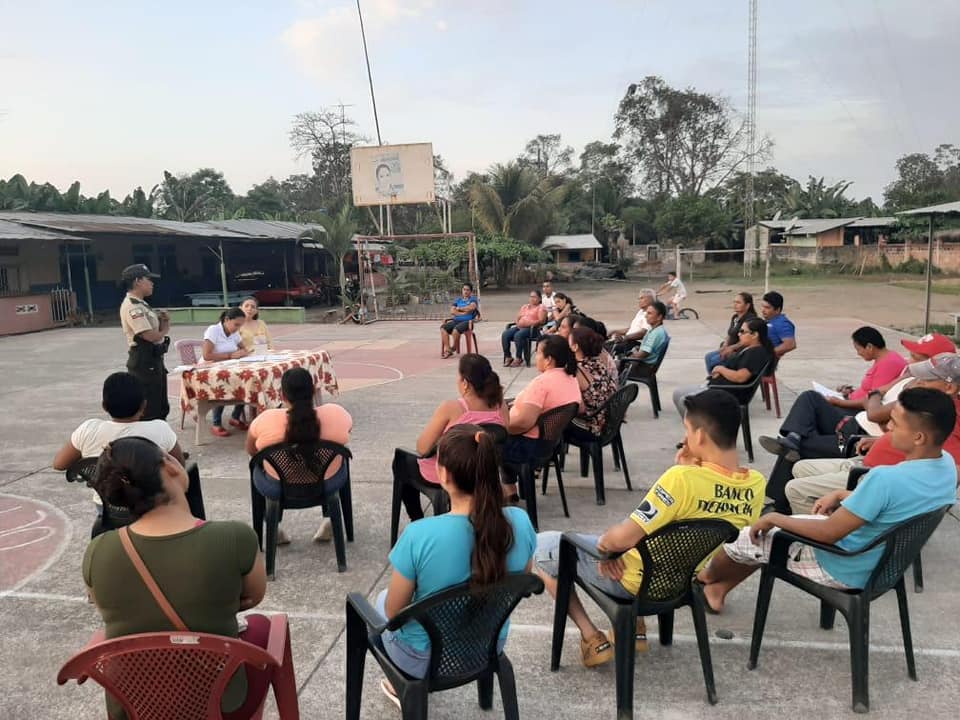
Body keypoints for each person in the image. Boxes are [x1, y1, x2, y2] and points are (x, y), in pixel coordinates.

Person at [535, 390, 766, 667]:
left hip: (631, 581)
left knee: (544, 546)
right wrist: (691, 468)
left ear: (700, 436)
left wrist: (608, 550)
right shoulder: (756, 484)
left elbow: (618, 540)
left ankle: (591, 637)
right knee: (629, 537)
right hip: (680, 580)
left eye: (687, 430)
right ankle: (634, 628)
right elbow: (702, 513)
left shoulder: (681, 480)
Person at [698, 387, 957, 613]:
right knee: (768, 539)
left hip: (844, 565)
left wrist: (775, 517)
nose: (887, 427)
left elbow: (828, 533)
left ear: (918, 437)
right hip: (882, 564)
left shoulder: (886, 479)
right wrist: (842, 494)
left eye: (895, 423)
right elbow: (896, 504)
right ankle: (717, 591)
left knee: (749, 536)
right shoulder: (947, 466)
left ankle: (703, 579)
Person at [83, 436, 269, 720]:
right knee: (261, 626)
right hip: (220, 700)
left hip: (132, 704)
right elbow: (253, 596)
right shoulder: (234, 537)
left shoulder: (98, 550)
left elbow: (107, 607)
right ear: (169, 465)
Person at [376, 425, 537, 705]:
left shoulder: (419, 535)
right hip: (488, 645)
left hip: (423, 659)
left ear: (444, 474)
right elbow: (522, 580)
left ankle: (398, 684)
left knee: (379, 602)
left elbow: (393, 613)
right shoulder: (520, 522)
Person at [783, 353, 960, 514]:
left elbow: (949, 470)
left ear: (949, 387)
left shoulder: (943, 417)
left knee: (795, 487)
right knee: (800, 466)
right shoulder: (930, 407)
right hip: (867, 459)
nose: (918, 383)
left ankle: (810, 533)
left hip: (872, 475)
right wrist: (879, 440)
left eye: (926, 380)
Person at [52, 372, 205, 526]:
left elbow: (59, 464)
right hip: (153, 509)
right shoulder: (160, 429)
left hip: (109, 509)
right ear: (144, 406)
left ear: (104, 406)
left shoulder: (88, 430)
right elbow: (179, 466)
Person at [759, 326, 908, 461]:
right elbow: (872, 393)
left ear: (869, 346)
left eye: (858, 349)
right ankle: (793, 439)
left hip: (854, 418)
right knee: (807, 412)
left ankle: (794, 439)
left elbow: (871, 400)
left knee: (809, 399)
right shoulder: (885, 360)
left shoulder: (889, 363)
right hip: (854, 416)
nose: (858, 353)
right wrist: (850, 393)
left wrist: (840, 402)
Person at [246, 367, 353, 544]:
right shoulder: (336, 413)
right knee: (338, 456)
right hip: (327, 483)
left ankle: (272, 524)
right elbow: (348, 432)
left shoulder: (265, 420)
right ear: (313, 391)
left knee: (256, 462)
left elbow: (251, 450)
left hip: (277, 486)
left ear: (282, 396)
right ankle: (330, 517)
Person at [397, 353, 507, 522]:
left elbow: (422, 448)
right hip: (483, 472)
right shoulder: (500, 405)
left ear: (465, 383)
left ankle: (417, 519)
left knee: (402, 460)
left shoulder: (452, 408)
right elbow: (503, 432)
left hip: (450, 474)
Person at [502, 335, 582, 501]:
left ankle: (488, 494)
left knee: (485, 442)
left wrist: (501, 427)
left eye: (537, 353)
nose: (535, 357)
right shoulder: (571, 378)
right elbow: (579, 407)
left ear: (549, 359)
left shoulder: (542, 383)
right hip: (548, 445)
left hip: (527, 447)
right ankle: (510, 490)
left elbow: (524, 423)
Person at [672, 317, 775, 418]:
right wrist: (720, 369)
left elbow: (740, 377)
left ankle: (700, 426)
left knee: (683, 400)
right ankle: (697, 425)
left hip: (727, 393)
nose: (739, 334)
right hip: (719, 388)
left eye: (742, 331)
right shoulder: (749, 348)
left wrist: (720, 369)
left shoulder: (756, 353)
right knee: (678, 393)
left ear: (755, 335)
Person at [119, 263, 170, 421]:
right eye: (148, 279)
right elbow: (150, 336)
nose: (152, 283)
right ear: (137, 281)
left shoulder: (141, 304)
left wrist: (162, 322)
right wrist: (165, 329)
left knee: (161, 406)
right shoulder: (132, 307)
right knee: (150, 409)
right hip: (144, 362)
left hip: (153, 360)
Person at [202, 307, 253, 437]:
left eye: (240, 325)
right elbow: (207, 355)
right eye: (236, 324)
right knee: (222, 384)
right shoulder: (213, 330)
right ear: (226, 320)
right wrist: (230, 355)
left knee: (246, 381)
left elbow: (244, 349)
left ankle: (235, 417)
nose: (238, 328)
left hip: (230, 367)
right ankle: (216, 423)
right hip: (211, 370)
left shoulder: (234, 333)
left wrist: (243, 352)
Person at [566, 326, 619, 440]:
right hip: (610, 419)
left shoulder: (576, 371)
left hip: (593, 426)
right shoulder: (600, 362)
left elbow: (580, 409)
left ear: (575, 347)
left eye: (568, 342)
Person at [705, 292, 757, 373]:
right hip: (729, 347)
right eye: (734, 302)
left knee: (714, 361)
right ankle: (713, 378)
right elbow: (730, 333)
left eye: (738, 302)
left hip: (739, 350)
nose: (735, 305)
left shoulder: (750, 320)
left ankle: (717, 379)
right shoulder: (735, 317)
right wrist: (725, 345)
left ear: (747, 305)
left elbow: (747, 341)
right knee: (708, 357)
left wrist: (731, 348)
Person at [621, 301, 669, 379]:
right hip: (644, 366)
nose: (646, 316)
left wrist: (634, 351)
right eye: (646, 313)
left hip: (642, 368)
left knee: (613, 365)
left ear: (659, 317)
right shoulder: (655, 330)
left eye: (649, 313)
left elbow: (640, 356)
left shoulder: (656, 333)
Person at [501, 289, 548, 368]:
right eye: (531, 297)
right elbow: (518, 317)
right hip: (520, 327)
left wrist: (530, 323)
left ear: (539, 299)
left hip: (532, 329)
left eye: (534, 297)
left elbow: (541, 321)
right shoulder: (525, 307)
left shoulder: (541, 307)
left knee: (518, 335)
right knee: (505, 334)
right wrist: (518, 323)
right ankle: (508, 356)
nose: (532, 298)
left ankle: (519, 358)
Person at [607, 289, 656, 356]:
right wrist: (614, 331)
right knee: (602, 345)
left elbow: (643, 333)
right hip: (629, 341)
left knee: (605, 349)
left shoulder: (650, 314)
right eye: (639, 298)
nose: (639, 300)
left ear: (650, 299)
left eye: (642, 298)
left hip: (636, 344)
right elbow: (630, 329)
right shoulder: (641, 312)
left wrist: (625, 338)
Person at [440, 283, 479, 358]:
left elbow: (471, 307)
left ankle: (454, 347)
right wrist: (464, 313)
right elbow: (452, 311)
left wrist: (459, 309)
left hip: (467, 322)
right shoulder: (458, 300)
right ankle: (448, 349)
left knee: (455, 330)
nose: (465, 291)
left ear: (471, 291)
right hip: (456, 321)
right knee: (443, 328)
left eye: (467, 290)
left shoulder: (473, 299)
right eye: (464, 289)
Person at [759, 291, 797, 358]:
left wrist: (767, 354)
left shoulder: (783, 323)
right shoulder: (769, 321)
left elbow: (790, 344)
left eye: (767, 307)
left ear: (777, 310)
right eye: (762, 306)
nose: (763, 310)